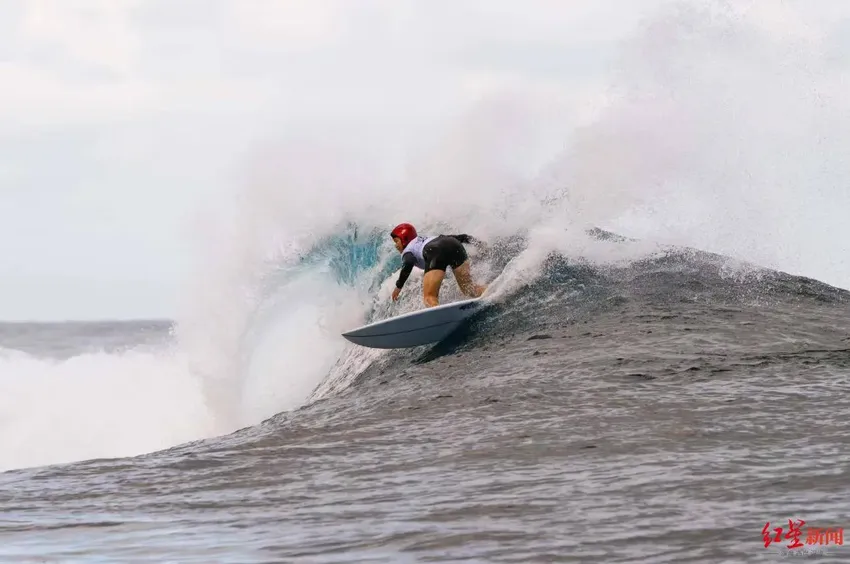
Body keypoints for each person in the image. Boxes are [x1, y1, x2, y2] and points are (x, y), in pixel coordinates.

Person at [389, 222, 487, 307]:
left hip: (434, 251)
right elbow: (462, 237)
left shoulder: (408, 250)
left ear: (405, 238)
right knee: (469, 289)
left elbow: (408, 263)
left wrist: (398, 287)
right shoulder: (427, 239)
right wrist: (479, 244)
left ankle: (440, 316)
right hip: (454, 244)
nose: (395, 245)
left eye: (397, 241)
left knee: (429, 298)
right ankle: (490, 290)